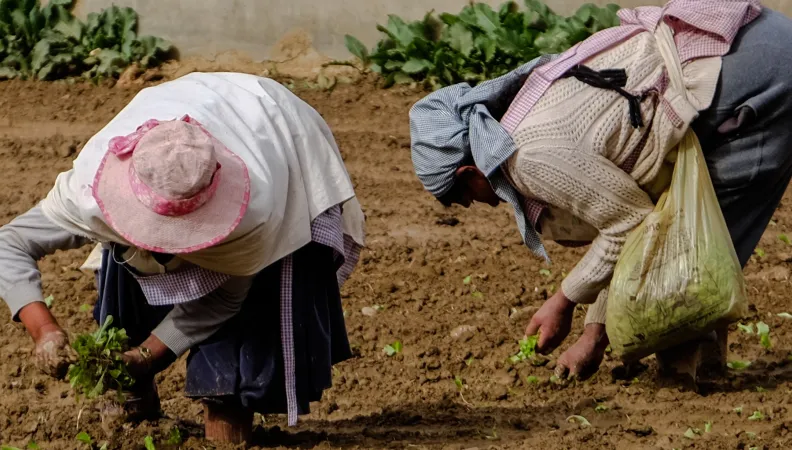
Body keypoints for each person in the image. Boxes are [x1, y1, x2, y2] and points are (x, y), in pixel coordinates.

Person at [410, 0, 789, 383]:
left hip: (753, 71)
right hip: (752, 39)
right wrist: (593, 331)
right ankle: (689, 356)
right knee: (682, 223)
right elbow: (635, 225)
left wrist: (564, 302)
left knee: (696, 235)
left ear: (469, 173)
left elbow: (632, 225)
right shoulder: (526, 109)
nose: (473, 205)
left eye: (462, 197)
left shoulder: (526, 157)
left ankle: (691, 361)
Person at [0, 72, 366, 444]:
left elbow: (223, 300)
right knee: (121, 312)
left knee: (235, 358)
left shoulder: (253, 217)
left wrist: (148, 356)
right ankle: (132, 420)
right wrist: (44, 330)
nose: (164, 239)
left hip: (276, 129)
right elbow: (9, 243)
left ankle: (226, 433)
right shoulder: (87, 191)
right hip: (185, 125)